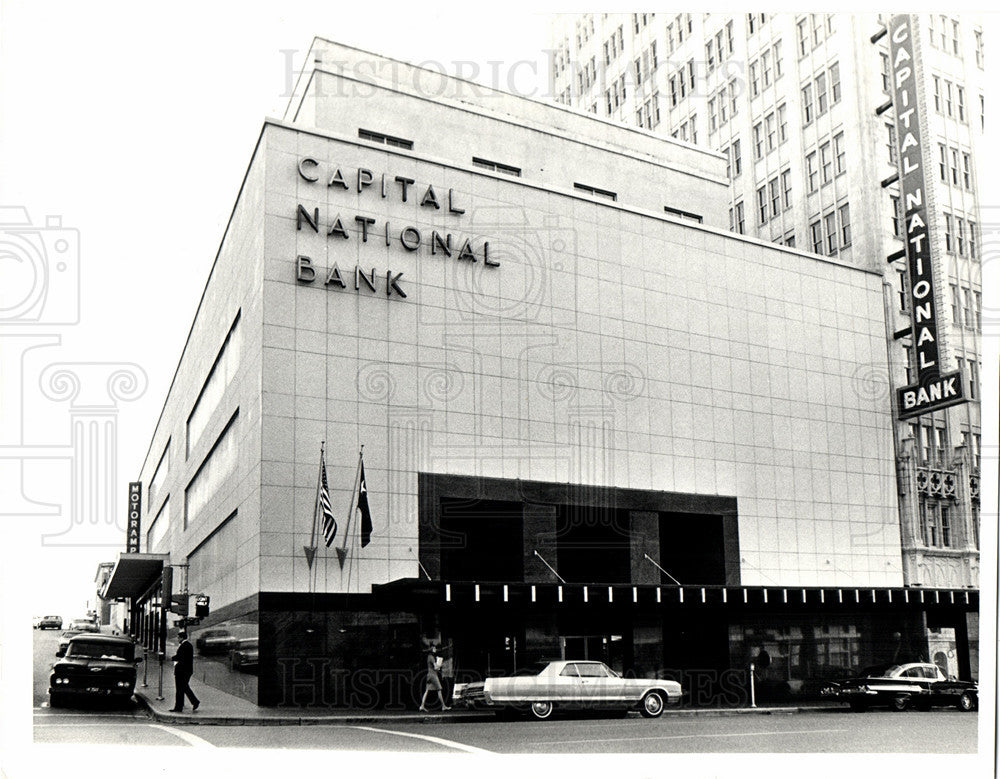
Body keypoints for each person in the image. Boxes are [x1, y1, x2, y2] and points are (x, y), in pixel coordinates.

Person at [170, 630, 200, 713]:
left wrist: (172, 658)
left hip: (182, 671)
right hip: (186, 670)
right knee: (184, 687)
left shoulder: (185, 646)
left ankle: (179, 707)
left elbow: (180, 657)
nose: (177, 639)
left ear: (182, 637)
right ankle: (194, 702)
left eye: (178, 637)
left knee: (180, 689)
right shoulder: (187, 645)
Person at [419, 646, 450, 712]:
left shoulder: (428, 657)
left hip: (429, 675)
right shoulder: (431, 657)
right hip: (433, 675)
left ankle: (422, 706)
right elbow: (436, 667)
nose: (435, 649)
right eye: (434, 649)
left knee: (427, 690)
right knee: (439, 689)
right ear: (431, 650)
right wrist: (440, 665)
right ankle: (443, 706)